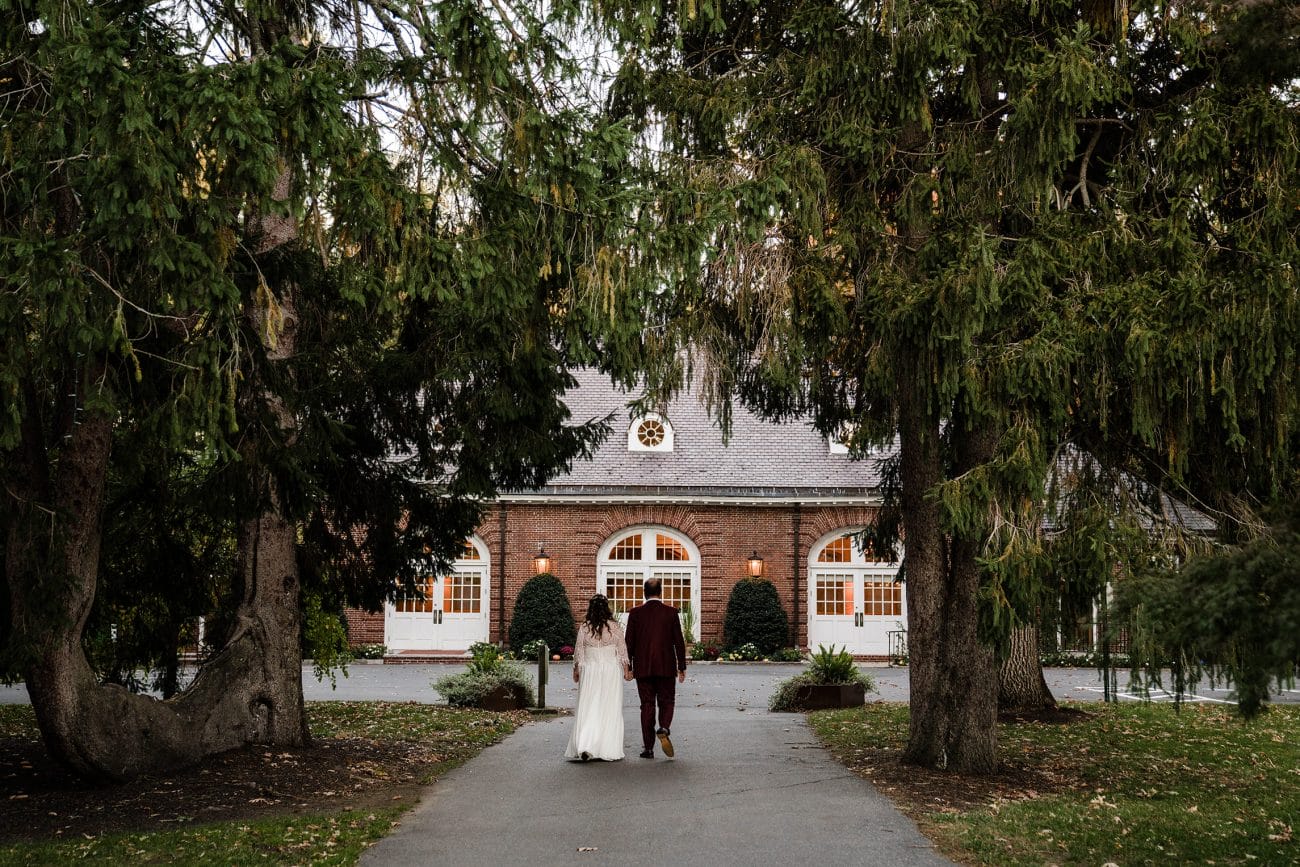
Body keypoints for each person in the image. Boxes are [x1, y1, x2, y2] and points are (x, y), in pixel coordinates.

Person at [624, 577, 687, 759]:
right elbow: (679, 642)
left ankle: (648, 748)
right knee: (667, 701)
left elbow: (629, 643)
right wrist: (681, 666)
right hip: (666, 666)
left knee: (647, 705)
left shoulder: (635, 613)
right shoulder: (671, 612)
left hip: (643, 668)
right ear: (661, 592)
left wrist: (628, 667)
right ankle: (664, 727)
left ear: (644, 593)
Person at [565, 594, 632, 761]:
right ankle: (605, 747)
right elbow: (622, 651)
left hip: (590, 670)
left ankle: (586, 744)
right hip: (610, 670)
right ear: (606, 608)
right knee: (609, 707)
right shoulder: (614, 627)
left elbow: (579, 651)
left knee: (589, 707)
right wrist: (626, 670)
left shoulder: (585, 627)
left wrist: (576, 670)